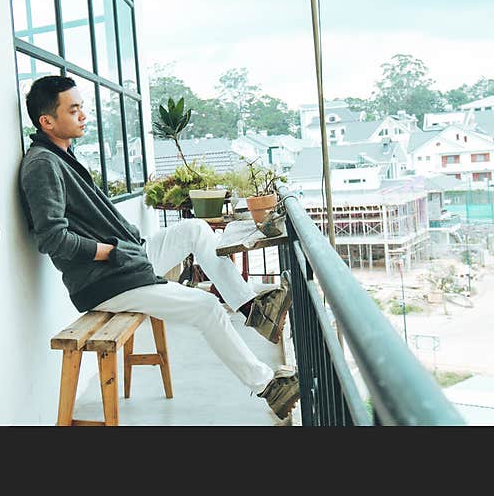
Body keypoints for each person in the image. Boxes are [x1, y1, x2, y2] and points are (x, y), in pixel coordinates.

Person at [18, 75, 300, 420]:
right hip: (106, 280)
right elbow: (51, 238)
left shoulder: (62, 156)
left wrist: (122, 250)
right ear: (46, 121)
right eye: (74, 110)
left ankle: (253, 309)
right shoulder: (42, 165)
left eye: (82, 108)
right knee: (206, 308)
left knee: (196, 228)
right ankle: (267, 387)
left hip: (128, 258)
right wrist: (110, 252)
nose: (83, 116)